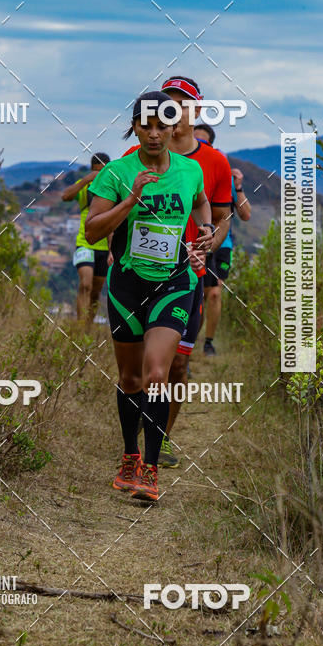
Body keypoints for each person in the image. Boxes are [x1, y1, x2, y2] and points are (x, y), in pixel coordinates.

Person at [85, 92, 213, 502]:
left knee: (158, 373)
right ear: (135, 127)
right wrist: (131, 200)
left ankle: (151, 470)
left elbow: (201, 202)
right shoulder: (116, 172)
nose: (155, 134)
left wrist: (205, 230)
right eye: (147, 125)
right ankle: (129, 454)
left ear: (175, 127)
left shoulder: (190, 170)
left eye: (164, 125)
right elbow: (92, 231)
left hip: (174, 282)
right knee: (131, 378)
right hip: (126, 285)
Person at [122, 77, 232, 468]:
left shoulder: (215, 162)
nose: (174, 110)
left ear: (196, 112)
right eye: (168, 102)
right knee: (140, 368)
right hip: (139, 276)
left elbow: (221, 217)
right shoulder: (138, 156)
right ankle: (136, 441)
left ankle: (162, 438)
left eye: (183, 104)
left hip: (188, 276)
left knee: (178, 365)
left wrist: (208, 243)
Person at [193, 124, 252, 355]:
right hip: (193, 240)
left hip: (222, 243)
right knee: (196, 294)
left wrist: (238, 186)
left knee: (215, 293)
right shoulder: (185, 169)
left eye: (204, 142)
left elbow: (246, 214)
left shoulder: (220, 169)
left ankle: (208, 342)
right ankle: (187, 344)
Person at [61, 153, 111, 323]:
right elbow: (65, 196)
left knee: (96, 291)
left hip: (104, 247)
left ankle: (88, 326)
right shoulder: (84, 187)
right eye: (96, 172)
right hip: (85, 243)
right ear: (92, 170)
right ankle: (80, 325)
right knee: (86, 284)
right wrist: (86, 180)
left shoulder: (113, 188)